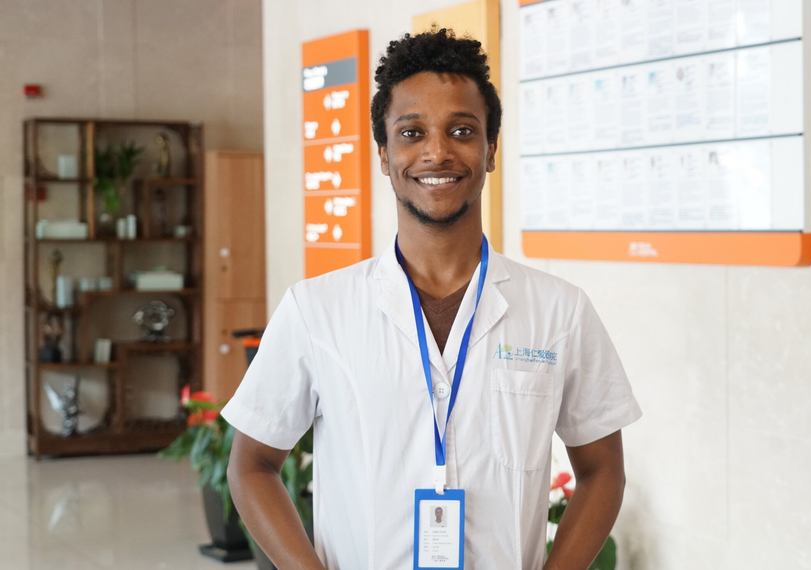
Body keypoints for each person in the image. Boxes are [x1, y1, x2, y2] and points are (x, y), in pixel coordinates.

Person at [224, 28, 641, 570]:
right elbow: (252, 464)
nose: (437, 152)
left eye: (462, 130)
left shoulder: (560, 311)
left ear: (491, 150)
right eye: (412, 132)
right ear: (384, 153)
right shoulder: (315, 310)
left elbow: (603, 469)